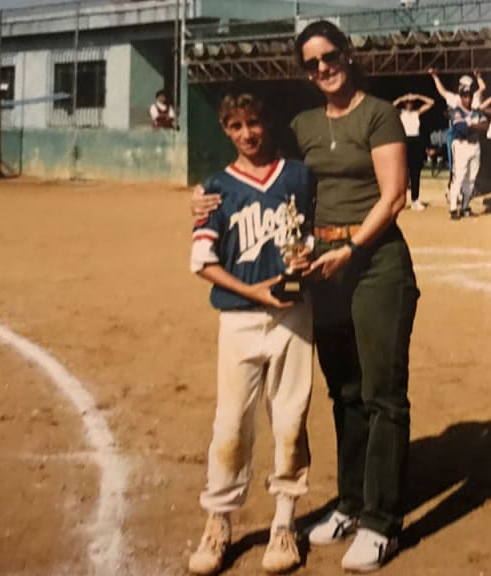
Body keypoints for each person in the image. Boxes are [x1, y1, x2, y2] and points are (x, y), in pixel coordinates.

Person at [192, 20, 420, 573]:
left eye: (330, 56)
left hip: (375, 264)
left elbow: (394, 197)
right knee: (344, 391)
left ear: (347, 54)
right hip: (323, 273)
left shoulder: (379, 113)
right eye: (312, 63)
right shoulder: (303, 124)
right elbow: (257, 159)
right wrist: (203, 198)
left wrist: (351, 246)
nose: (324, 68)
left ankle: (381, 522)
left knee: (382, 393)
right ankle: (348, 503)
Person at [186, 84, 314, 576]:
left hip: (292, 317)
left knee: (290, 420)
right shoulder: (217, 186)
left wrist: (305, 254)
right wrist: (253, 291)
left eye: (253, 123)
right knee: (231, 426)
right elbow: (203, 261)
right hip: (239, 319)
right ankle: (218, 522)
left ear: (268, 122)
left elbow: (307, 233)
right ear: (225, 130)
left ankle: (285, 522)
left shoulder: (298, 177)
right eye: (235, 127)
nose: (247, 134)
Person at [430, 68, 486, 172]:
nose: (459, 86)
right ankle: (454, 179)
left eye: (462, 84)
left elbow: (482, 87)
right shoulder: (455, 97)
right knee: (455, 162)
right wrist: (435, 77)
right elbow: (442, 91)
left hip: (470, 131)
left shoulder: (473, 97)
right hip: (458, 131)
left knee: (468, 162)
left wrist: (478, 76)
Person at [447, 85, 488, 219]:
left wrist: (471, 125)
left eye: (469, 96)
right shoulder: (457, 111)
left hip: (475, 146)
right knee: (459, 177)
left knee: (471, 179)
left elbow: (486, 126)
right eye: (464, 96)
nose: (467, 99)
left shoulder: (476, 111)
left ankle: (465, 207)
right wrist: (475, 126)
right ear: (461, 97)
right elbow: (461, 128)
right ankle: (453, 208)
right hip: (461, 145)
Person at [393, 92, 435, 211]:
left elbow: (431, 102)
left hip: (416, 142)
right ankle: (399, 200)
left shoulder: (417, 113)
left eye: (411, 103)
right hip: (405, 141)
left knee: (415, 172)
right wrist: (401, 98)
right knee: (402, 173)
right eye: (407, 103)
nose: (409, 105)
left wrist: (417, 97)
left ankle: (415, 200)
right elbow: (391, 107)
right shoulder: (401, 113)